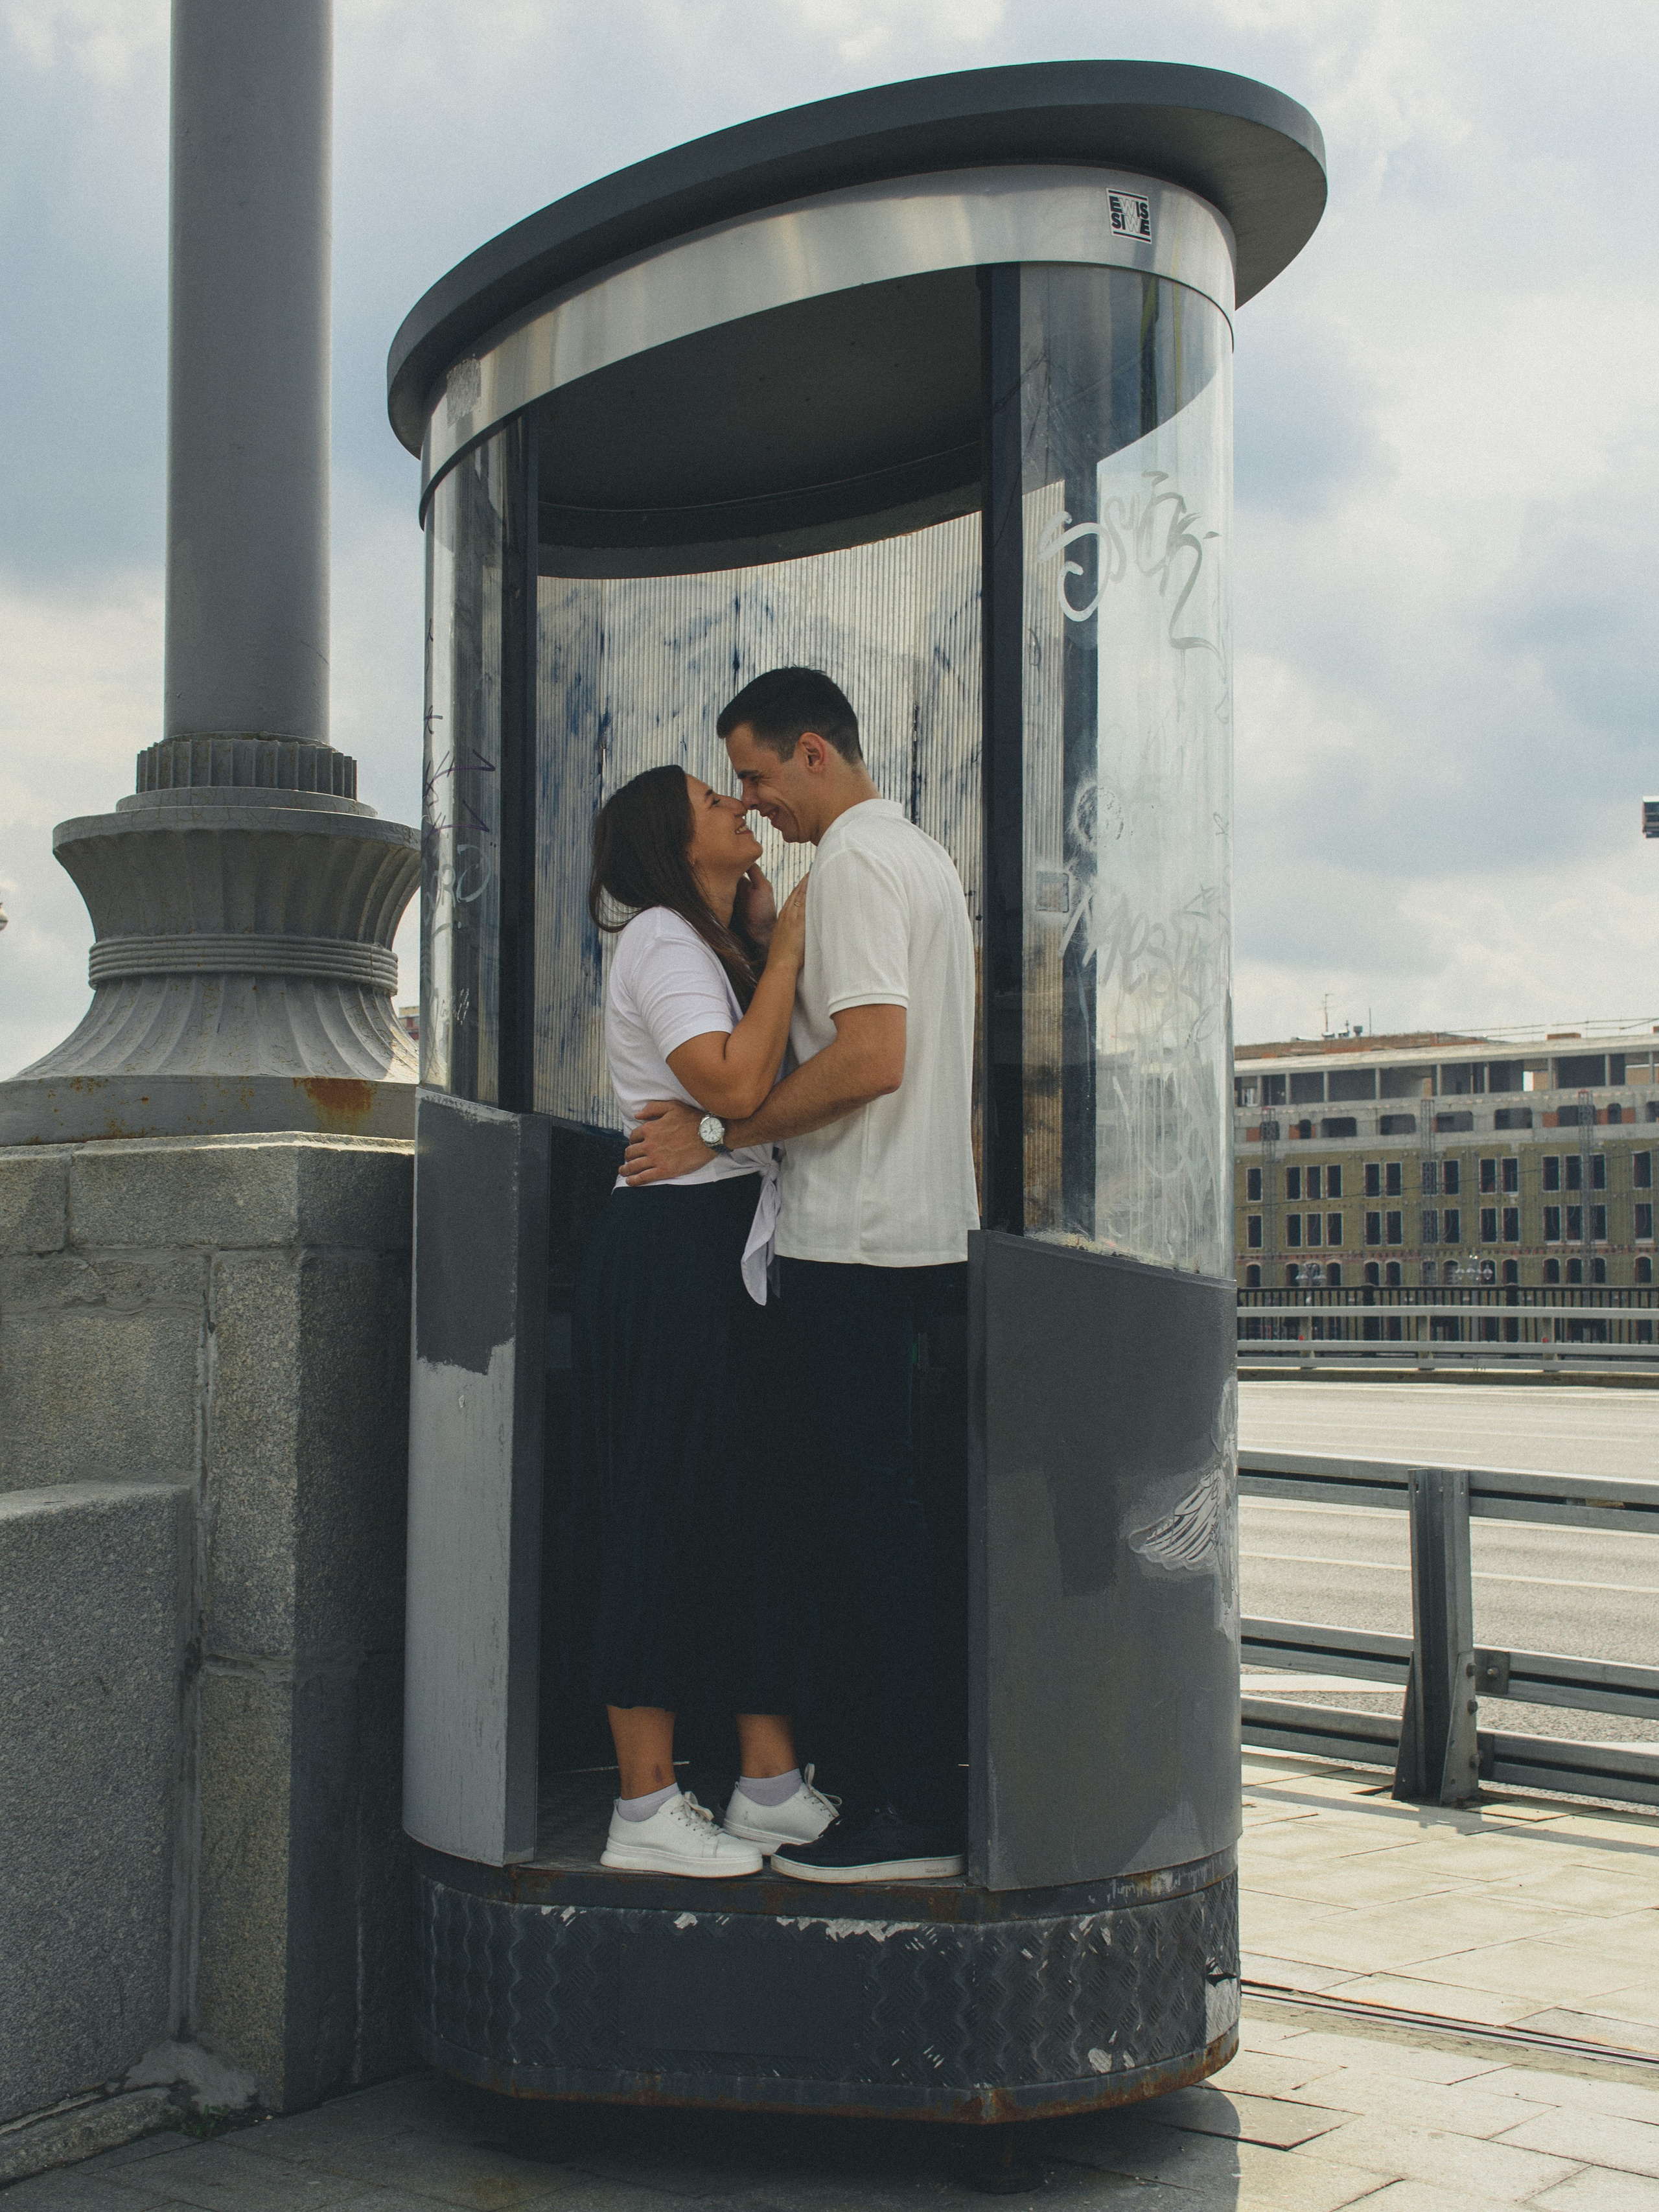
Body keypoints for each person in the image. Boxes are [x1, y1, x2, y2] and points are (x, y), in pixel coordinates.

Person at [622, 668, 979, 1883]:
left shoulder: (861, 867)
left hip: (852, 1242)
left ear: (816, 753)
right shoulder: (915, 858)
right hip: (906, 1234)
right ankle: (892, 1788)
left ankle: (906, 1806)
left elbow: (871, 1057)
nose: (755, 801)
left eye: (760, 775)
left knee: (863, 1537)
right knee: (879, 1525)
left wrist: (725, 1130)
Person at [574, 762, 838, 1878]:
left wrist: (766, 938)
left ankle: (766, 1784)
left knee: (748, 1511)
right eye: (710, 801)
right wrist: (785, 947)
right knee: (662, 1510)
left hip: (719, 1241)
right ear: (678, 848)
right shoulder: (664, 941)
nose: (737, 805)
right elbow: (731, 1084)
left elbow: (740, 1100)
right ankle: (643, 1805)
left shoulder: (712, 943)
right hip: (674, 1249)